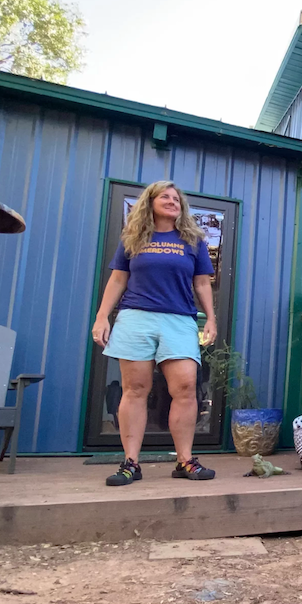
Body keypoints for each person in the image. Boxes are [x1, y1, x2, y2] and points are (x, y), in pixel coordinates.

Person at [92, 181, 218, 486]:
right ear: (150, 201)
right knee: (135, 389)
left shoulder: (193, 240)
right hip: (136, 317)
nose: (173, 201)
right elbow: (118, 279)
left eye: (177, 198)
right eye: (165, 196)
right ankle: (131, 463)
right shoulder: (134, 237)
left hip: (179, 319)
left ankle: (184, 460)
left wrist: (211, 318)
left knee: (187, 387)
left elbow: (202, 284)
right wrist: (102, 317)